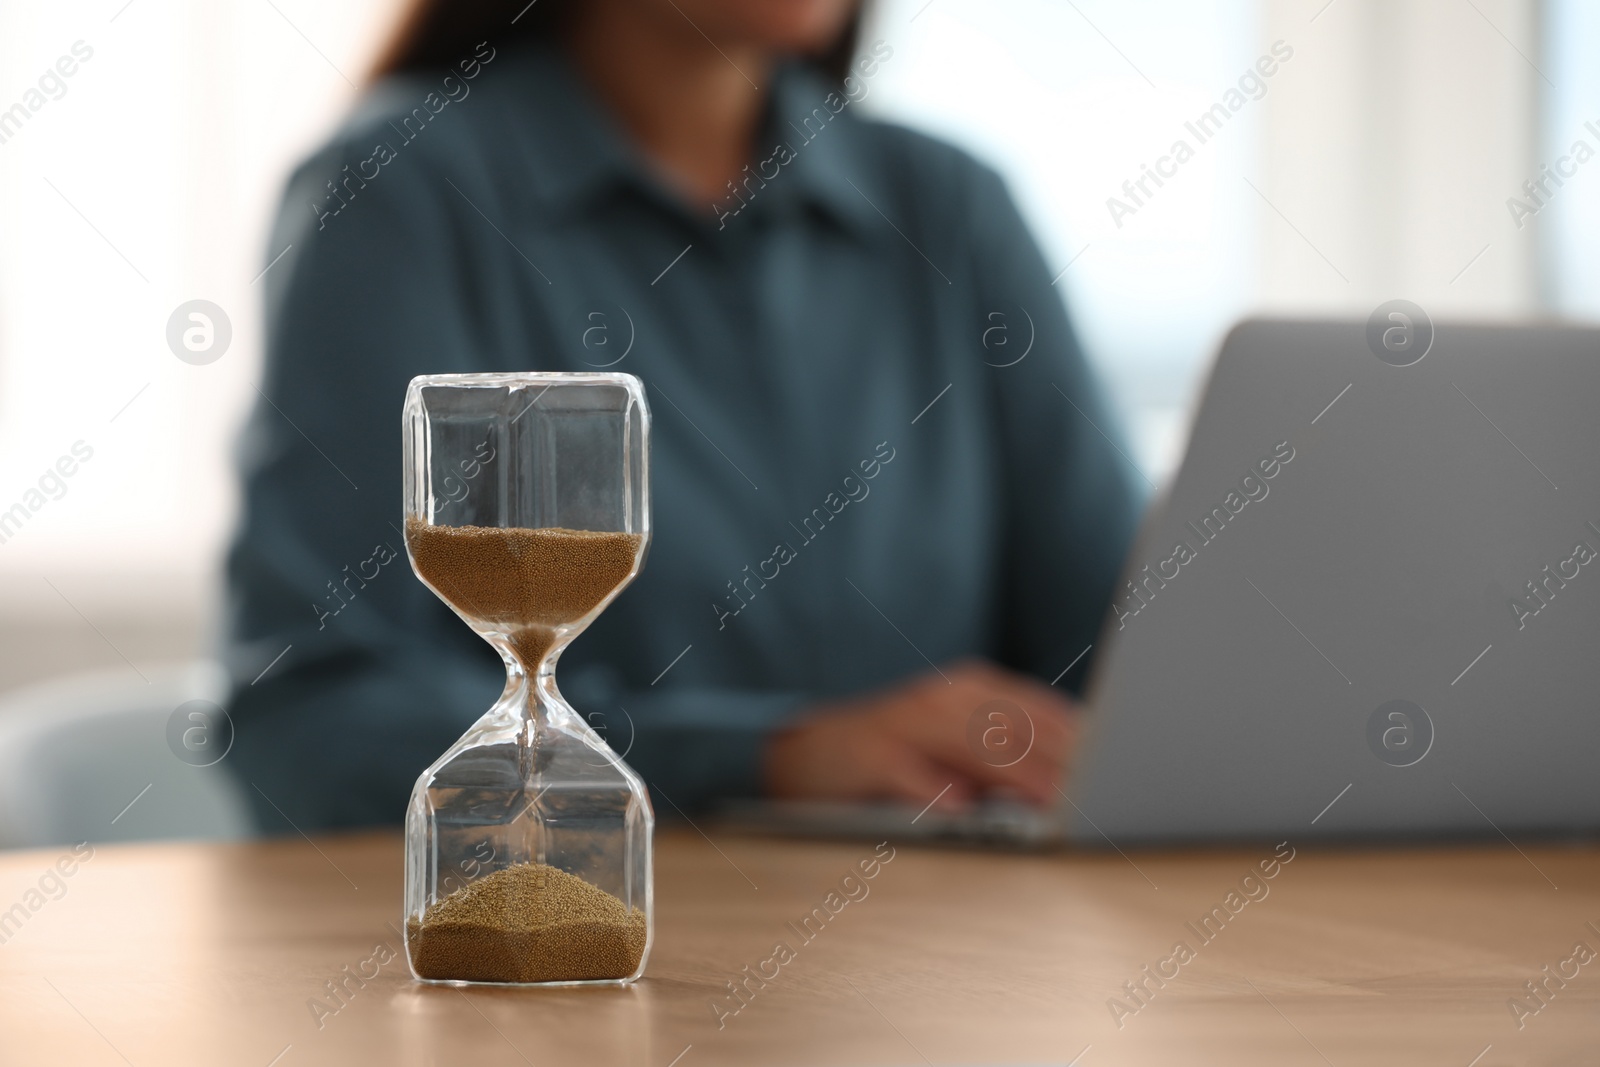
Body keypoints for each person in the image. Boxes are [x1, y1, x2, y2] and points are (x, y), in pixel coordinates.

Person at [224, 0, 1142, 831]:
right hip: (587, 950)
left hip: (954, 955)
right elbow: (308, 718)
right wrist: (765, 756)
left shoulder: (950, 208)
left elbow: (1127, 660)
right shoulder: (403, 196)